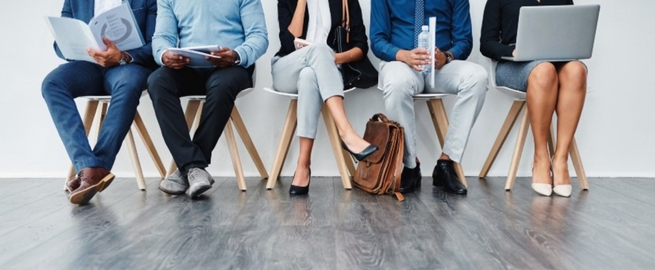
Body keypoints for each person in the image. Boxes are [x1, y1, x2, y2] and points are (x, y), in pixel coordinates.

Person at [41, 0, 157, 205]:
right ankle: (89, 167)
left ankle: (95, 170)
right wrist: (74, 46)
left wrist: (121, 56)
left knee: (128, 84)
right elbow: (60, 46)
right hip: (89, 65)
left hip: (127, 65)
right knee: (52, 83)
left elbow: (155, 44)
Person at [150, 0, 268, 198]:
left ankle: (188, 167)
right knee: (157, 81)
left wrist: (236, 54)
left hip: (231, 67)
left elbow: (259, 36)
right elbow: (162, 37)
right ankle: (194, 167)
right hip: (188, 67)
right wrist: (164, 55)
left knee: (221, 85)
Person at [370, 0, 488, 195]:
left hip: (440, 66)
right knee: (397, 83)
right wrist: (402, 55)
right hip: (402, 62)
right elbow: (377, 40)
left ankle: (446, 162)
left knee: (477, 77)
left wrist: (448, 56)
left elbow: (464, 41)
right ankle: (410, 165)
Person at [272, 0, 378, 195]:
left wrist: (332, 58)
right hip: (287, 68)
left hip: (325, 70)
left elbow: (360, 46)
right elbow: (288, 43)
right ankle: (346, 132)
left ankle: (303, 166)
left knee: (309, 75)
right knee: (319, 50)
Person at [480, 0, 586, 197]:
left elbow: (570, 36)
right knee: (544, 70)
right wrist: (512, 51)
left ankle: (561, 159)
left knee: (577, 70)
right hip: (514, 65)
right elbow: (486, 43)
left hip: (557, 61)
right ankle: (540, 157)